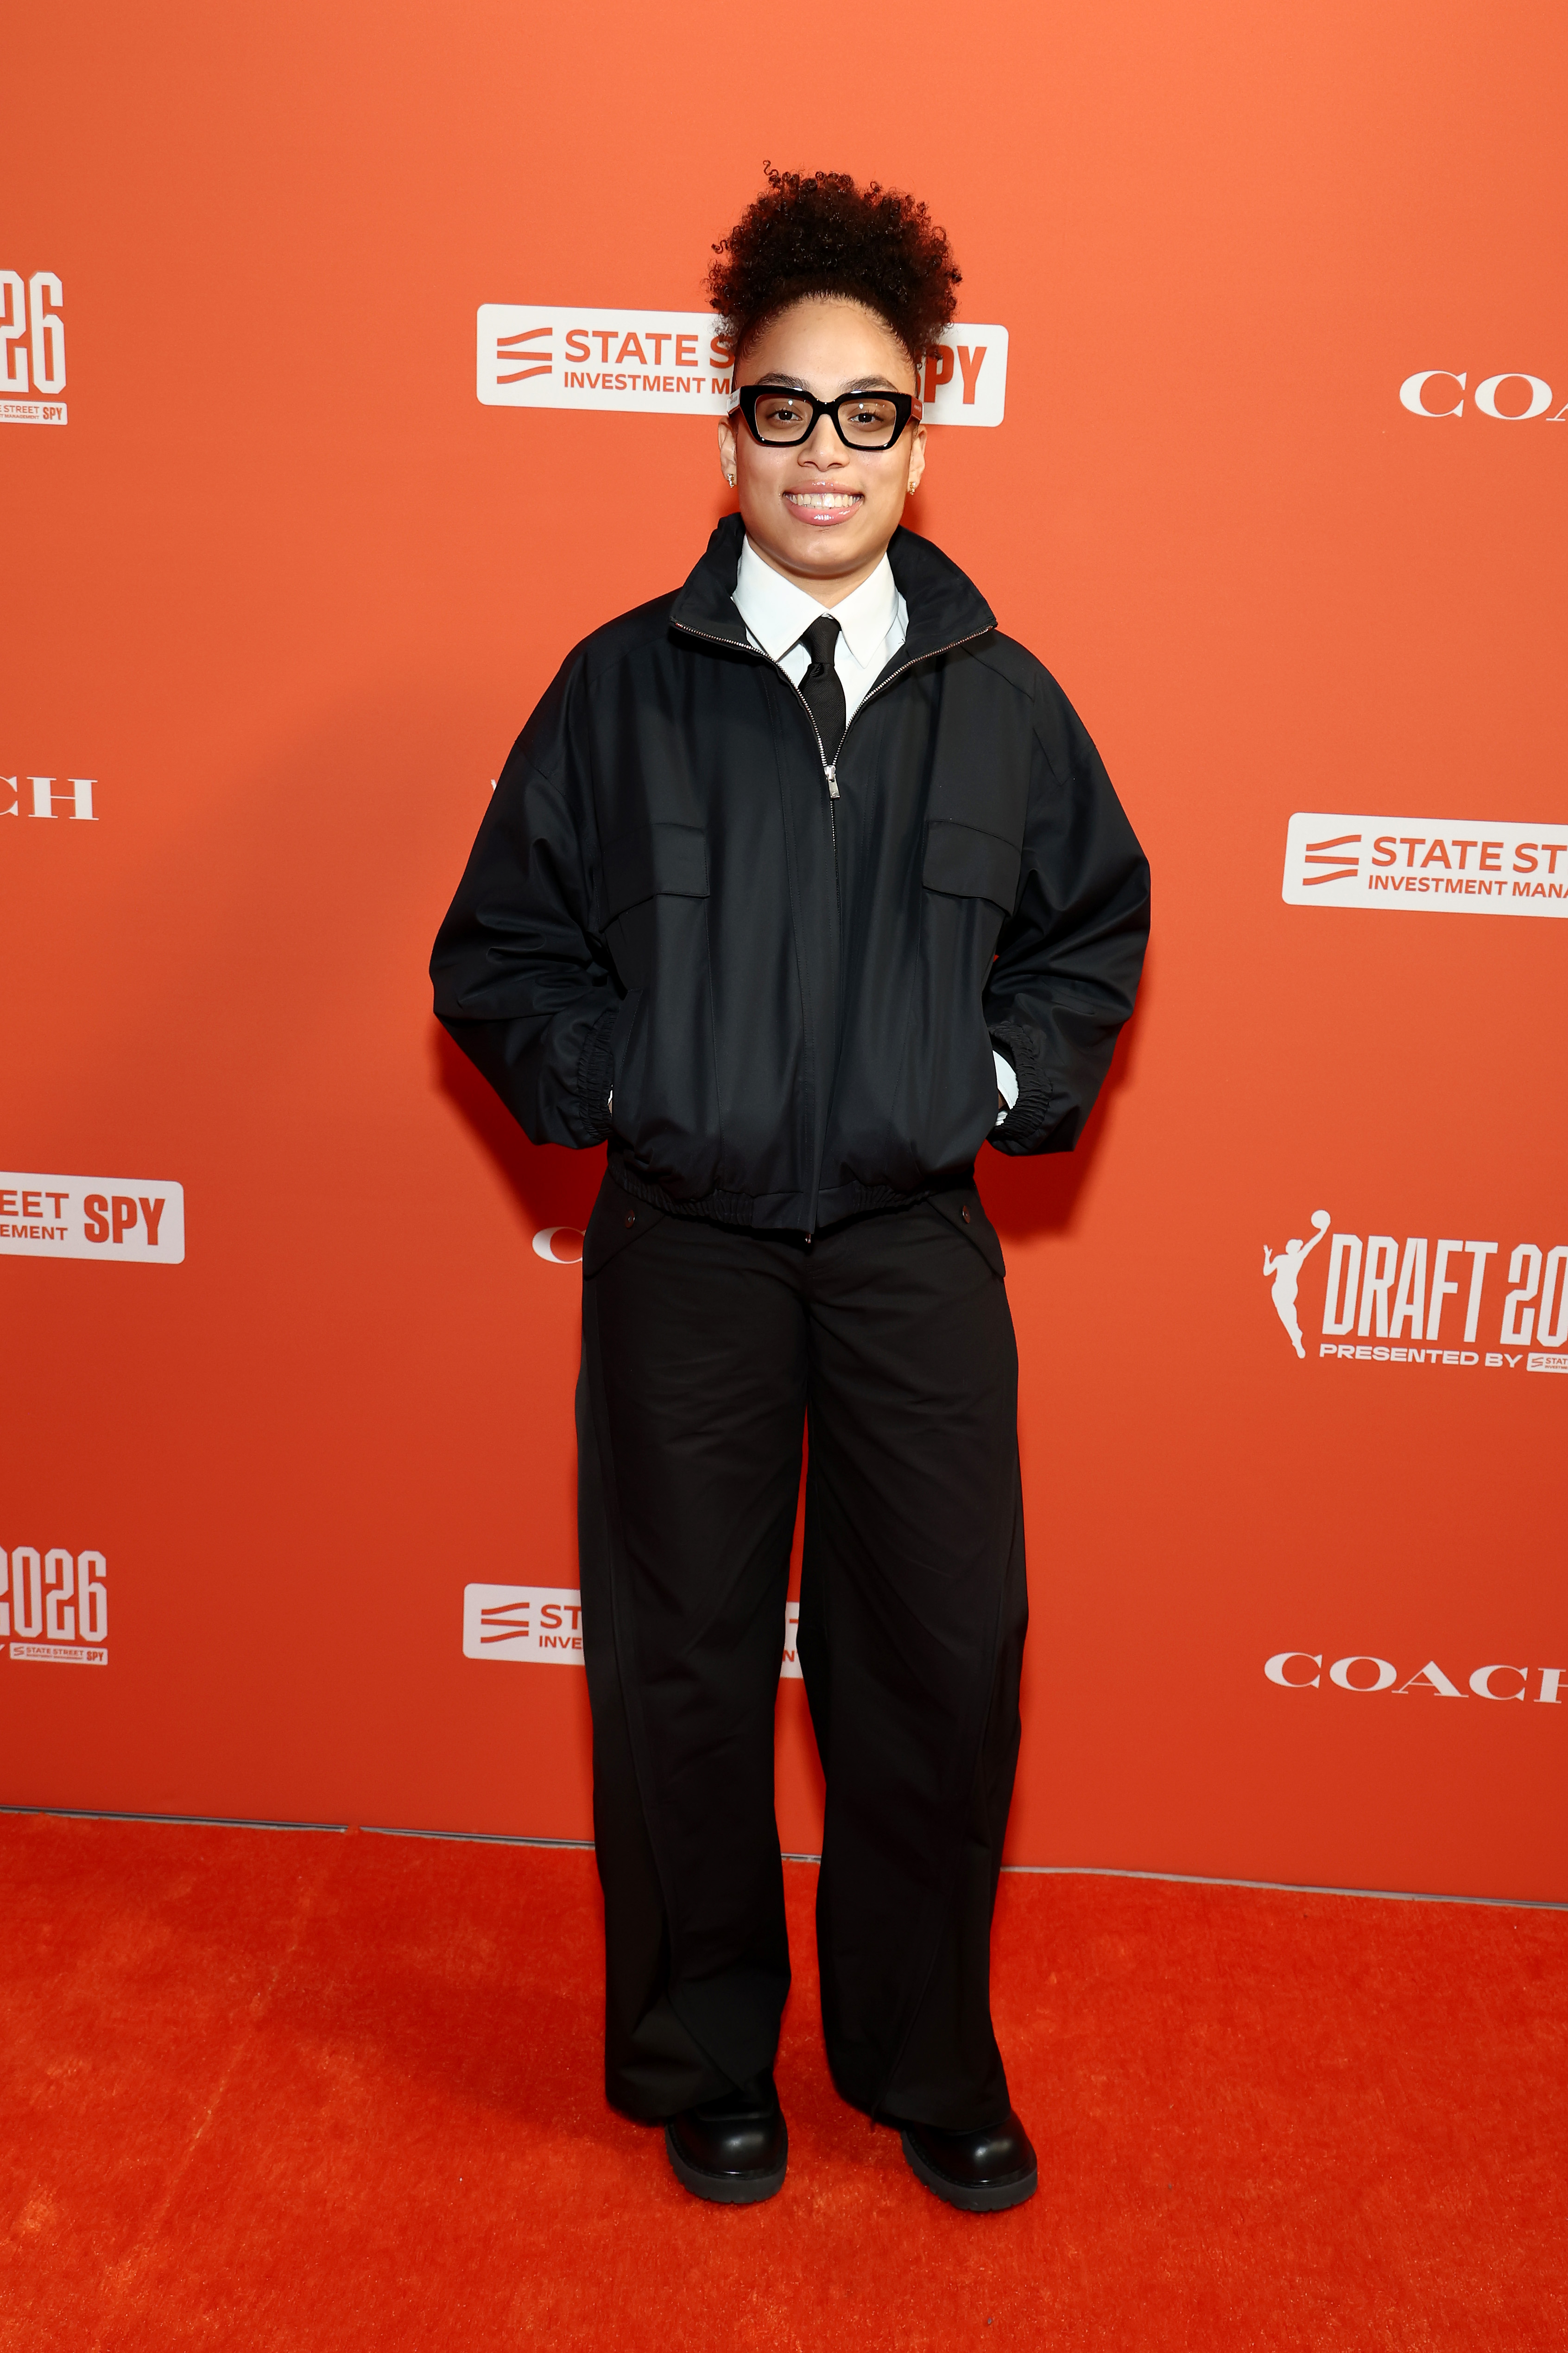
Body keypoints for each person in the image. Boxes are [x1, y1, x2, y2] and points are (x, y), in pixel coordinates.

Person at [432, 166, 1150, 2212]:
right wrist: (636, 1080)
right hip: (691, 1250)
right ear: (725, 423)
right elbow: (499, 957)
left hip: (915, 1249)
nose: (819, 452)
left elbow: (1093, 924)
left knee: (942, 1651)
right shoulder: (620, 688)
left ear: (921, 435)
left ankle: (925, 2060)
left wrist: (993, 1074)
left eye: (863, 412)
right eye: (779, 407)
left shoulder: (999, 703)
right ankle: (700, 2050)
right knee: (682, 1657)